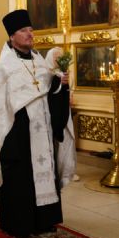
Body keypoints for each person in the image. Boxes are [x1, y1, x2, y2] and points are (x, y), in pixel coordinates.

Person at [0, 9, 70, 238]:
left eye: (31, 30)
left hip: (41, 132)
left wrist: (60, 85)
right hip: (17, 133)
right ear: (12, 36)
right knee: (20, 177)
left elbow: (48, 93)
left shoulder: (40, 63)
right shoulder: (5, 66)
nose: (30, 34)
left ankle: (44, 220)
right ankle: (19, 223)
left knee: (43, 170)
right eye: (24, 31)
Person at [45, 47, 79, 186]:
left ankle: (67, 172)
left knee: (67, 142)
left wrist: (67, 92)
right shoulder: (47, 75)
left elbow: (67, 91)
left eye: (60, 57)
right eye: (56, 57)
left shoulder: (63, 74)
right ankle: (56, 173)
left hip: (64, 114)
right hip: (52, 116)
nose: (58, 60)